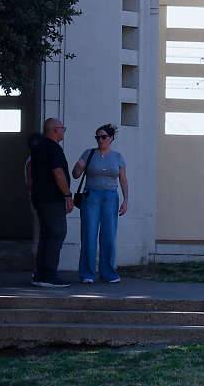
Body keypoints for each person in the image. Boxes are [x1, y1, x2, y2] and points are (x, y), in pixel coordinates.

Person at [71, 123, 129, 284]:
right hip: (91, 197)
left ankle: (108, 272)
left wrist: (126, 200)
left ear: (111, 138)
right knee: (89, 234)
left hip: (110, 197)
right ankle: (87, 273)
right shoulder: (89, 153)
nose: (100, 140)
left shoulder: (118, 157)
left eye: (103, 137)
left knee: (109, 235)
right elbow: (76, 173)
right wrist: (77, 168)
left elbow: (123, 179)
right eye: (97, 137)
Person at [23, 118, 74, 287]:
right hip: (52, 199)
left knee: (46, 235)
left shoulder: (38, 149)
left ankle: (40, 274)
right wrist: (67, 195)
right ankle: (49, 275)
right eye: (62, 128)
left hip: (39, 198)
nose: (64, 132)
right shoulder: (53, 148)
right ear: (54, 130)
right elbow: (58, 173)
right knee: (57, 233)